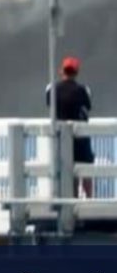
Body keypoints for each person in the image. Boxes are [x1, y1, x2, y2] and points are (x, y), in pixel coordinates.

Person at [46, 56, 94, 198]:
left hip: (61, 140)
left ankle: (72, 200)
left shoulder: (52, 89)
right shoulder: (83, 90)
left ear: (62, 71)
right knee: (86, 171)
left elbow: (49, 104)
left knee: (68, 172)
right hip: (81, 138)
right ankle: (90, 200)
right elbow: (88, 105)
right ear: (76, 72)